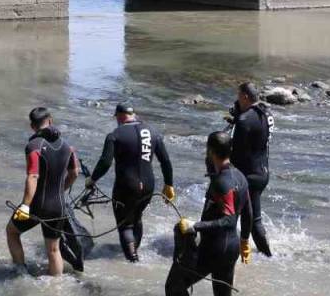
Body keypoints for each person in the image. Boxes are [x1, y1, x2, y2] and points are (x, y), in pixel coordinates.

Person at [165, 131, 252, 296]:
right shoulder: (240, 176)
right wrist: (244, 240)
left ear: (211, 151)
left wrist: (194, 226)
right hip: (231, 248)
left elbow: (229, 221)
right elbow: (248, 212)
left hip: (214, 248)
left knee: (174, 285)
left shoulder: (222, 182)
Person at [87, 102, 176, 262]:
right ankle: (134, 251)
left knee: (125, 224)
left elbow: (105, 162)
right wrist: (168, 184)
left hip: (126, 186)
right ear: (133, 115)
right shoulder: (153, 132)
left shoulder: (115, 135)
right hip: (149, 185)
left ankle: (133, 261)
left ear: (120, 116)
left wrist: (92, 179)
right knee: (137, 217)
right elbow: (166, 161)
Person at [6, 107, 79, 276]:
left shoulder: (34, 146)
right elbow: (75, 173)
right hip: (58, 205)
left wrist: (25, 205)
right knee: (53, 250)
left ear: (32, 126)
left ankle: (21, 273)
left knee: (12, 231)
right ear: (50, 120)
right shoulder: (68, 147)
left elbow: (33, 176)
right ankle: (56, 288)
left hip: (36, 206)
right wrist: (60, 191)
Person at [227, 82, 274, 256]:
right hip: (262, 171)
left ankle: (263, 255)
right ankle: (266, 256)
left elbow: (235, 154)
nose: (236, 100)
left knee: (246, 220)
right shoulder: (265, 113)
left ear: (245, 97)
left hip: (248, 175)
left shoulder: (244, 120)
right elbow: (256, 134)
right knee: (254, 219)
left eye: (238, 96)